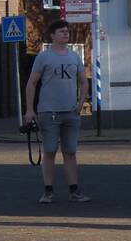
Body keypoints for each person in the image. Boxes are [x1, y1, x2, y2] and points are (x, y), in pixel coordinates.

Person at [23, 19, 91, 204]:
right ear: (52, 35)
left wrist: (80, 104)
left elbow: (84, 82)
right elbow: (32, 83)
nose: (66, 34)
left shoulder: (74, 57)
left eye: (67, 31)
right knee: (50, 151)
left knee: (70, 151)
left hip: (71, 112)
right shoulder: (43, 57)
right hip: (48, 112)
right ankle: (48, 191)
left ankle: (74, 191)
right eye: (61, 31)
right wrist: (30, 109)